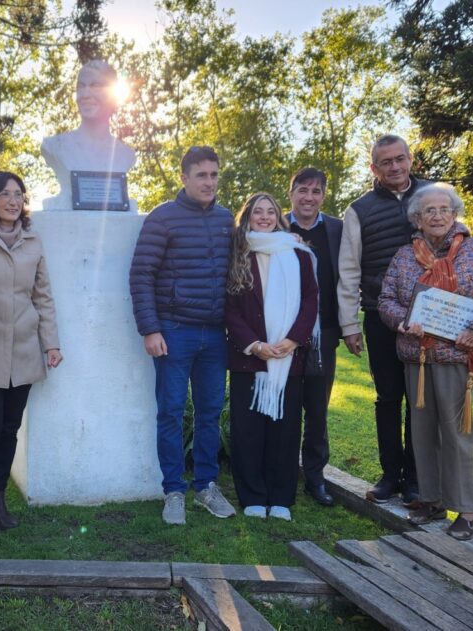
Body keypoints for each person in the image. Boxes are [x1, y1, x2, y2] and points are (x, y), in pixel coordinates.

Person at [378, 183, 473, 541]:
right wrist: (402, 322)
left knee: (456, 434)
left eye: (444, 209)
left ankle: (467, 511)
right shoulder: (404, 256)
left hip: (455, 357)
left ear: (454, 214)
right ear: (417, 219)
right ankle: (432, 500)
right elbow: (386, 300)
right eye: (430, 210)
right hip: (417, 358)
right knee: (422, 433)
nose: (437, 216)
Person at [129, 145, 237, 525]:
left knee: (210, 412)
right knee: (171, 412)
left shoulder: (226, 220)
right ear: (184, 178)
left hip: (216, 334)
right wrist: (150, 329)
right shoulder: (162, 218)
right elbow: (141, 274)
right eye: (201, 175)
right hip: (174, 331)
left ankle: (206, 486)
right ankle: (173, 491)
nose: (209, 182)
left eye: (214, 174)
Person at [0, 171, 62, 533]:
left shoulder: (32, 240)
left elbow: (42, 295)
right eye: (5, 193)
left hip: (23, 348)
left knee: (9, 428)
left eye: (18, 194)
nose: (13, 200)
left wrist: (51, 342)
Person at [337, 134, 431, 505]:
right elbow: (348, 271)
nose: (394, 167)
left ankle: (416, 479)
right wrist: (349, 326)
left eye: (399, 159)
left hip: (429, 318)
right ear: (374, 168)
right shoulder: (358, 210)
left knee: (421, 399)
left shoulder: (434, 196)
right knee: (388, 397)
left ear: (411, 159)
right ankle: (390, 475)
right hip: (380, 317)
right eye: (385, 162)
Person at [225, 193, 319, 521]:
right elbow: (230, 307)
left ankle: (280, 496)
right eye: (257, 212)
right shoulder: (238, 253)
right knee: (247, 430)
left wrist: (293, 340)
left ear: (279, 217)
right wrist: (254, 345)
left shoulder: (298, 253)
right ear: (248, 216)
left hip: (287, 356)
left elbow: (310, 299)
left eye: (270, 212)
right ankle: (252, 495)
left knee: (285, 429)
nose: (264, 217)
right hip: (249, 357)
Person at [284, 168, 343, 507]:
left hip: (326, 331)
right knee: (287, 405)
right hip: (283, 332)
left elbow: (348, 275)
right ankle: (283, 470)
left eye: (316, 191)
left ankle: (315, 476)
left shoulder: (337, 229)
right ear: (291, 193)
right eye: (303, 190)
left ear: (323, 195)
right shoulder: (276, 225)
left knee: (318, 408)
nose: (309, 197)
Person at [40, 59, 137, 210]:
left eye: (95, 86)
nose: (85, 94)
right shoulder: (55, 146)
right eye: (81, 86)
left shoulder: (126, 154)